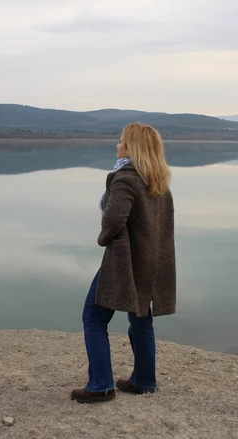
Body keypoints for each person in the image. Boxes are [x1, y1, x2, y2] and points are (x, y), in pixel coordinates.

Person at [71, 123, 176, 403]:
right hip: (151, 261)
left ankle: (100, 386)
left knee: (93, 318)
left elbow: (114, 218)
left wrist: (104, 238)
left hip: (125, 260)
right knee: (141, 318)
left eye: (120, 141)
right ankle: (144, 381)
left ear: (131, 148)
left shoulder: (125, 178)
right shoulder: (158, 182)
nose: (117, 145)